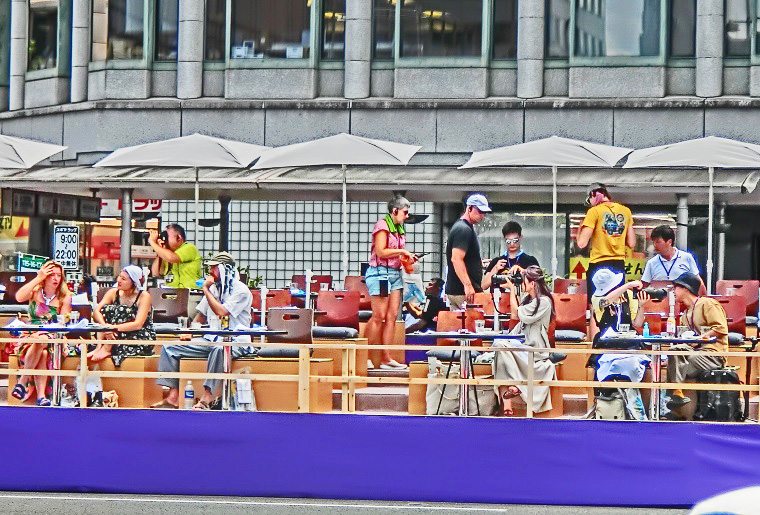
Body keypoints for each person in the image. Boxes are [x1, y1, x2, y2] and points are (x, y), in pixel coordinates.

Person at [152, 252, 253, 410]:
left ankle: (207, 398)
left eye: (214, 268)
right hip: (210, 339)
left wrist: (205, 289)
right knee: (169, 348)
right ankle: (173, 397)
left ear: (224, 269)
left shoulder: (241, 291)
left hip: (236, 341)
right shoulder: (214, 289)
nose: (210, 271)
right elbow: (201, 316)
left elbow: (222, 311)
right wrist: (190, 331)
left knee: (219, 349)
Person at [491, 265, 555, 416]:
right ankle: (508, 404)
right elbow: (517, 317)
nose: (522, 283)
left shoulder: (544, 302)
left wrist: (512, 290)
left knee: (502, 348)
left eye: (524, 280)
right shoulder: (528, 300)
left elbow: (519, 315)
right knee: (500, 349)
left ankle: (515, 388)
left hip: (536, 350)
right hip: (523, 346)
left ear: (532, 283)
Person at [365, 195, 416, 370]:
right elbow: (381, 251)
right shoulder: (382, 226)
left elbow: (394, 253)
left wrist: (407, 257)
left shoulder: (399, 229)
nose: (407, 216)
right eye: (405, 212)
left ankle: (386, 358)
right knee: (378, 316)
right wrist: (402, 251)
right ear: (395, 211)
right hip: (379, 273)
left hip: (395, 273)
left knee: (392, 316)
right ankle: (365, 355)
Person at [666, 272, 727, 417]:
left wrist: (700, 338)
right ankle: (677, 396)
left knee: (680, 362)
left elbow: (721, 328)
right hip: (693, 353)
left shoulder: (707, 303)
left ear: (685, 288)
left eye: (676, 288)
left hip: (712, 354)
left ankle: (674, 404)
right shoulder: (685, 314)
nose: (673, 291)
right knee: (674, 352)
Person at [12, 260, 72, 406]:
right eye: (51, 275)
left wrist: (61, 341)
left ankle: (22, 381)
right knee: (43, 353)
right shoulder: (35, 291)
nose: (56, 278)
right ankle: (41, 396)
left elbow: (62, 323)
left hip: (52, 334)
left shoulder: (65, 297)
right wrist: (38, 278)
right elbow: (19, 297)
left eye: (59, 275)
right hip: (30, 334)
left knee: (42, 340)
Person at [576, 183, 636, 297]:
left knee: (597, 301)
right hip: (618, 264)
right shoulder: (626, 211)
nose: (590, 204)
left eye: (589, 200)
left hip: (599, 264)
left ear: (593, 194)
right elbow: (632, 243)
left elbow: (581, 243)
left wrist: (580, 229)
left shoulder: (594, 211)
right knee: (616, 301)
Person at [91, 265, 155, 366]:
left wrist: (113, 328)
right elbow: (96, 311)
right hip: (111, 334)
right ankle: (100, 347)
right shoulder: (113, 292)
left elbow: (138, 324)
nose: (119, 280)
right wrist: (106, 327)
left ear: (134, 282)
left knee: (123, 310)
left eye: (123, 279)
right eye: (119, 276)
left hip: (136, 335)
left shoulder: (144, 296)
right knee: (106, 310)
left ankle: (107, 347)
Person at [445, 193, 491, 310]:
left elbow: (462, 258)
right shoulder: (463, 229)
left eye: (484, 212)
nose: (482, 215)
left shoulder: (462, 228)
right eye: (480, 211)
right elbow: (456, 259)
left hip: (458, 290)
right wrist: (468, 285)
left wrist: (477, 264)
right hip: (464, 292)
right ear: (469, 208)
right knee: (477, 319)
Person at [641, 224, 706, 294]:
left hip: (682, 299)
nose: (654, 245)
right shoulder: (651, 263)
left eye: (658, 242)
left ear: (669, 242)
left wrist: (702, 298)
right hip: (660, 300)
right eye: (653, 242)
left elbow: (699, 283)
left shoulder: (687, 257)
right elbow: (644, 286)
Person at [482, 221, 540, 291]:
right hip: (499, 297)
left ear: (520, 237)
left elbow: (538, 285)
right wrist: (495, 269)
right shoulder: (496, 261)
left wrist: (523, 272)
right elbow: (483, 286)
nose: (512, 244)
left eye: (515, 240)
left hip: (521, 296)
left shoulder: (530, 260)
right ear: (504, 239)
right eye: (508, 241)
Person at [149, 223, 202, 289]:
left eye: (167, 237)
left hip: (190, 292)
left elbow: (171, 258)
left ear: (178, 238)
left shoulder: (190, 248)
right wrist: (160, 248)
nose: (165, 239)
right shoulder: (168, 253)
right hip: (173, 292)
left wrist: (152, 242)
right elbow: (156, 273)